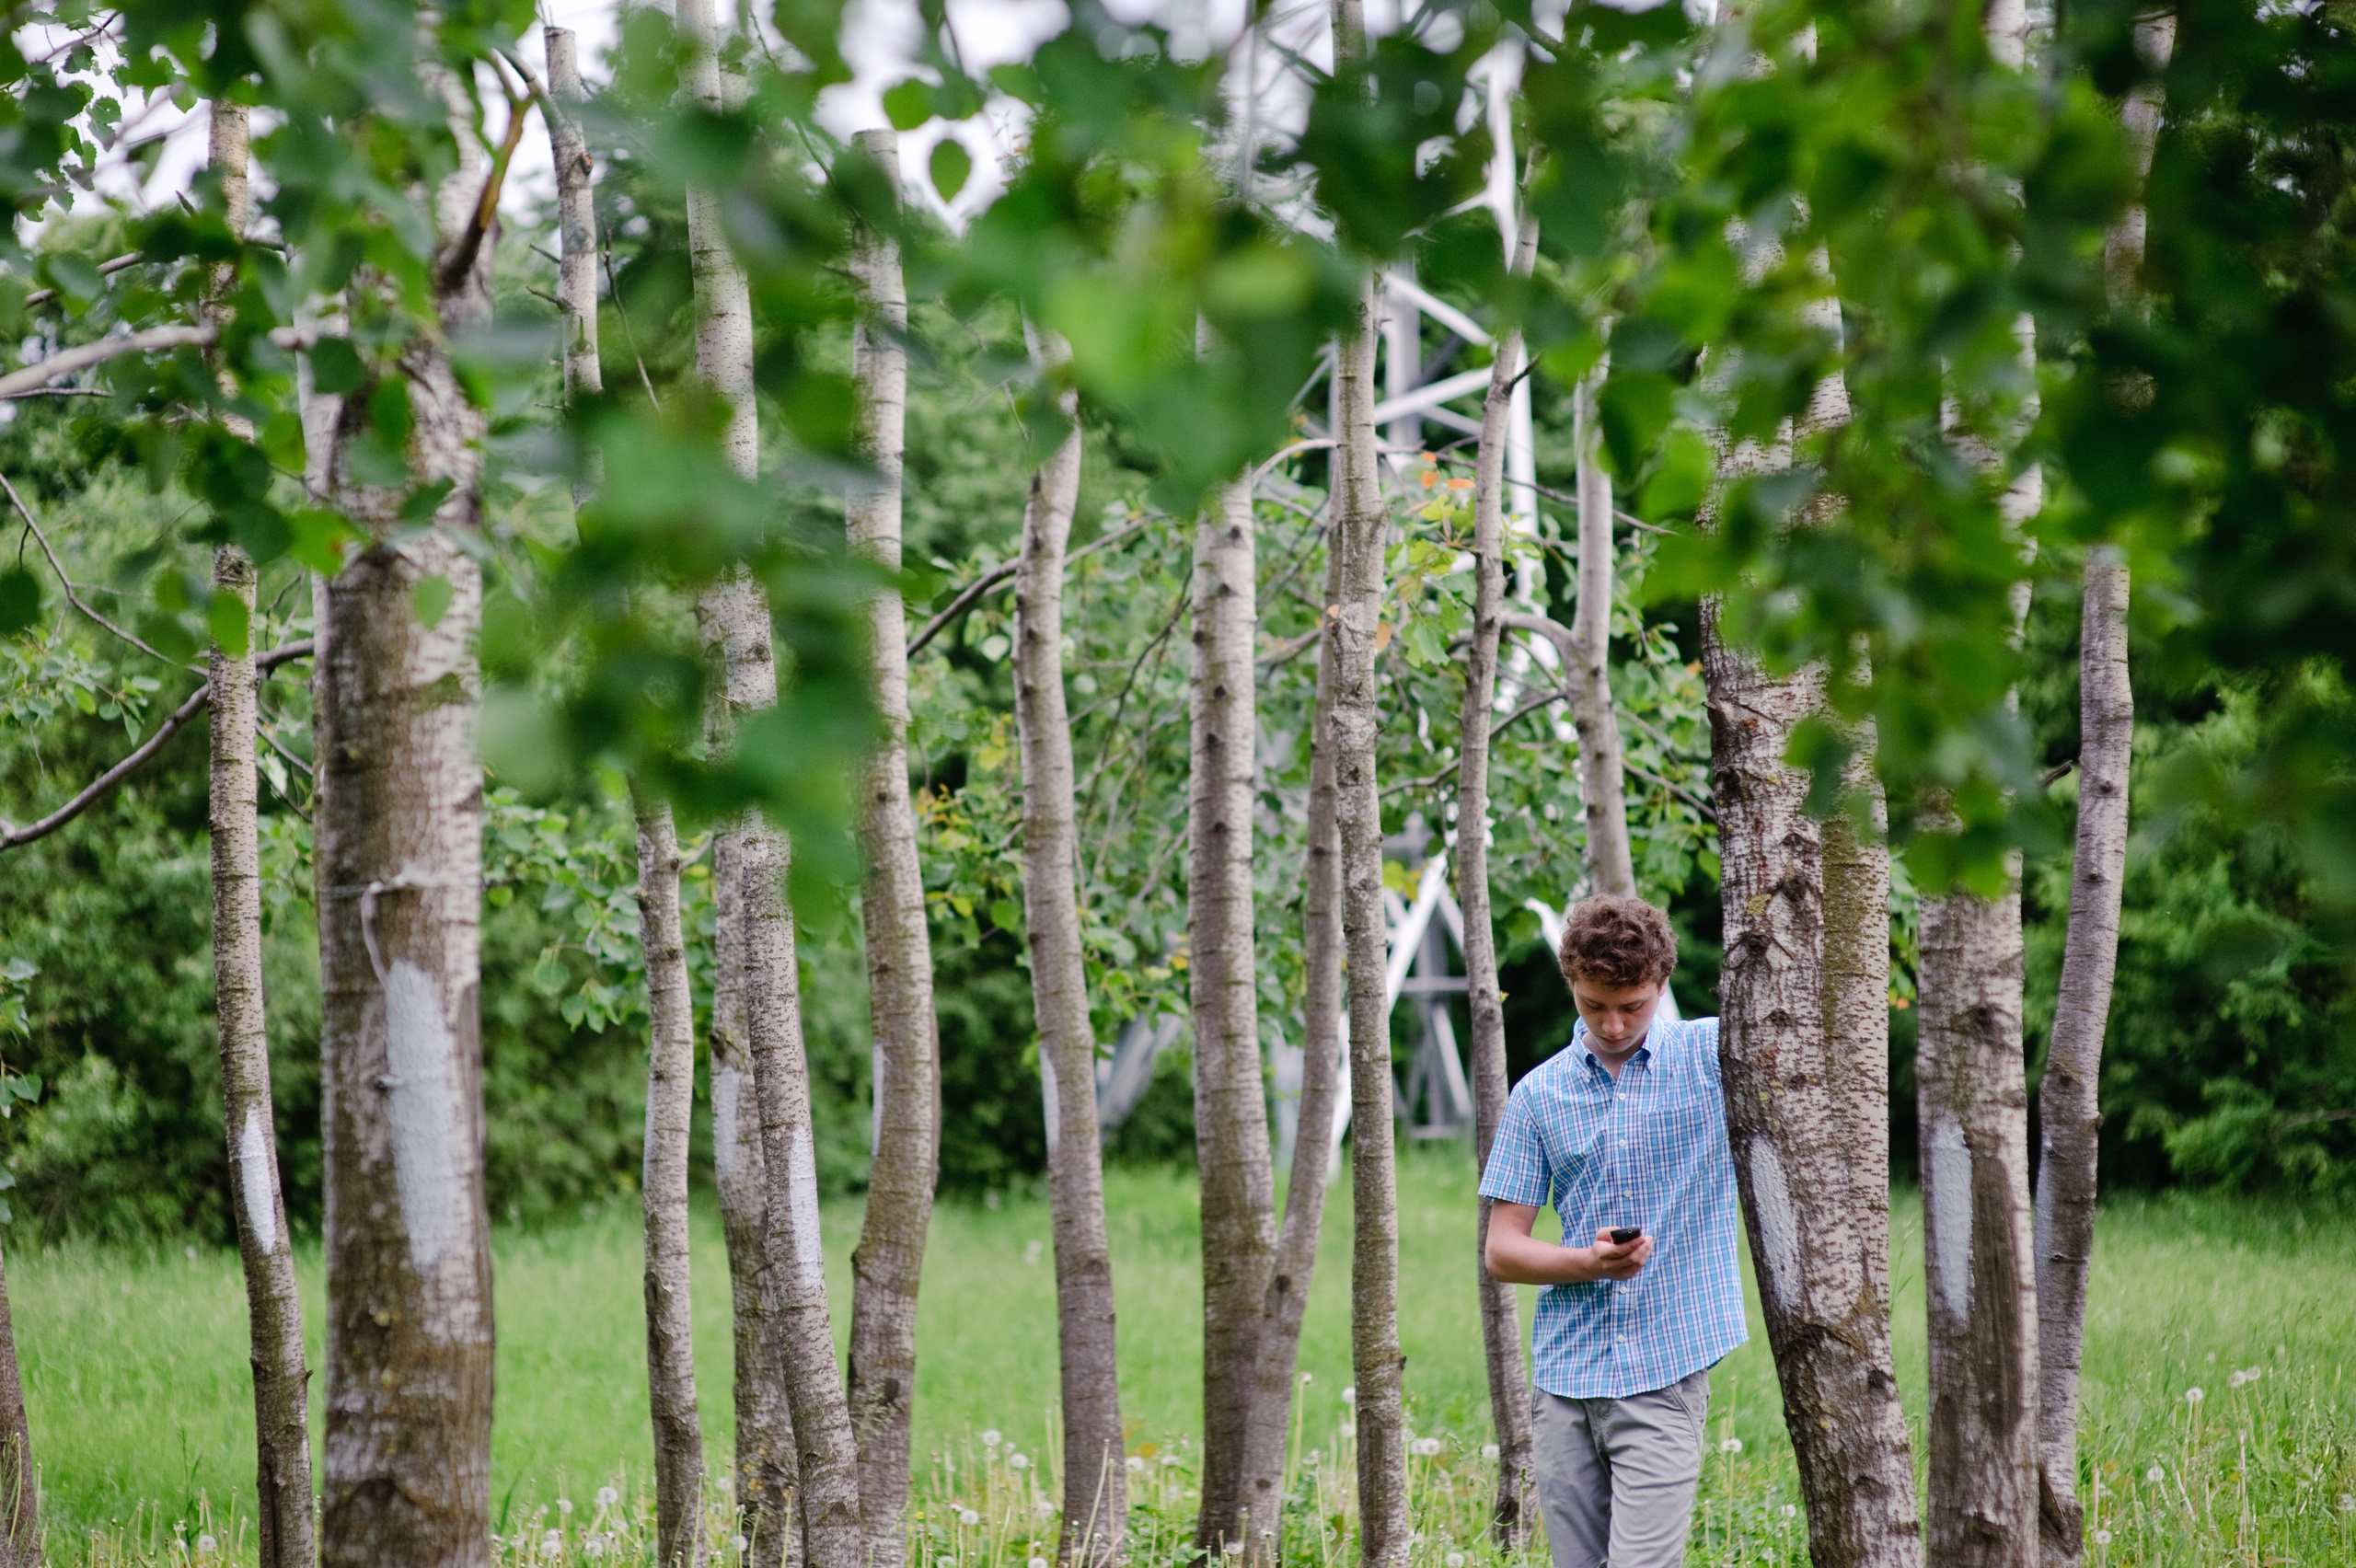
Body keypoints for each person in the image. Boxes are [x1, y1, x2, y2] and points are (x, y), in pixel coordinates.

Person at [1478, 893, 1745, 1568]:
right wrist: (1588, 1264)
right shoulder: (1538, 1096)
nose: (1615, 1024)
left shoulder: (1714, 1057)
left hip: (1664, 1369)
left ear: (1660, 984)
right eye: (1595, 1005)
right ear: (1572, 982)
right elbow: (1502, 1250)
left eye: (1633, 1005)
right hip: (1565, 1380)